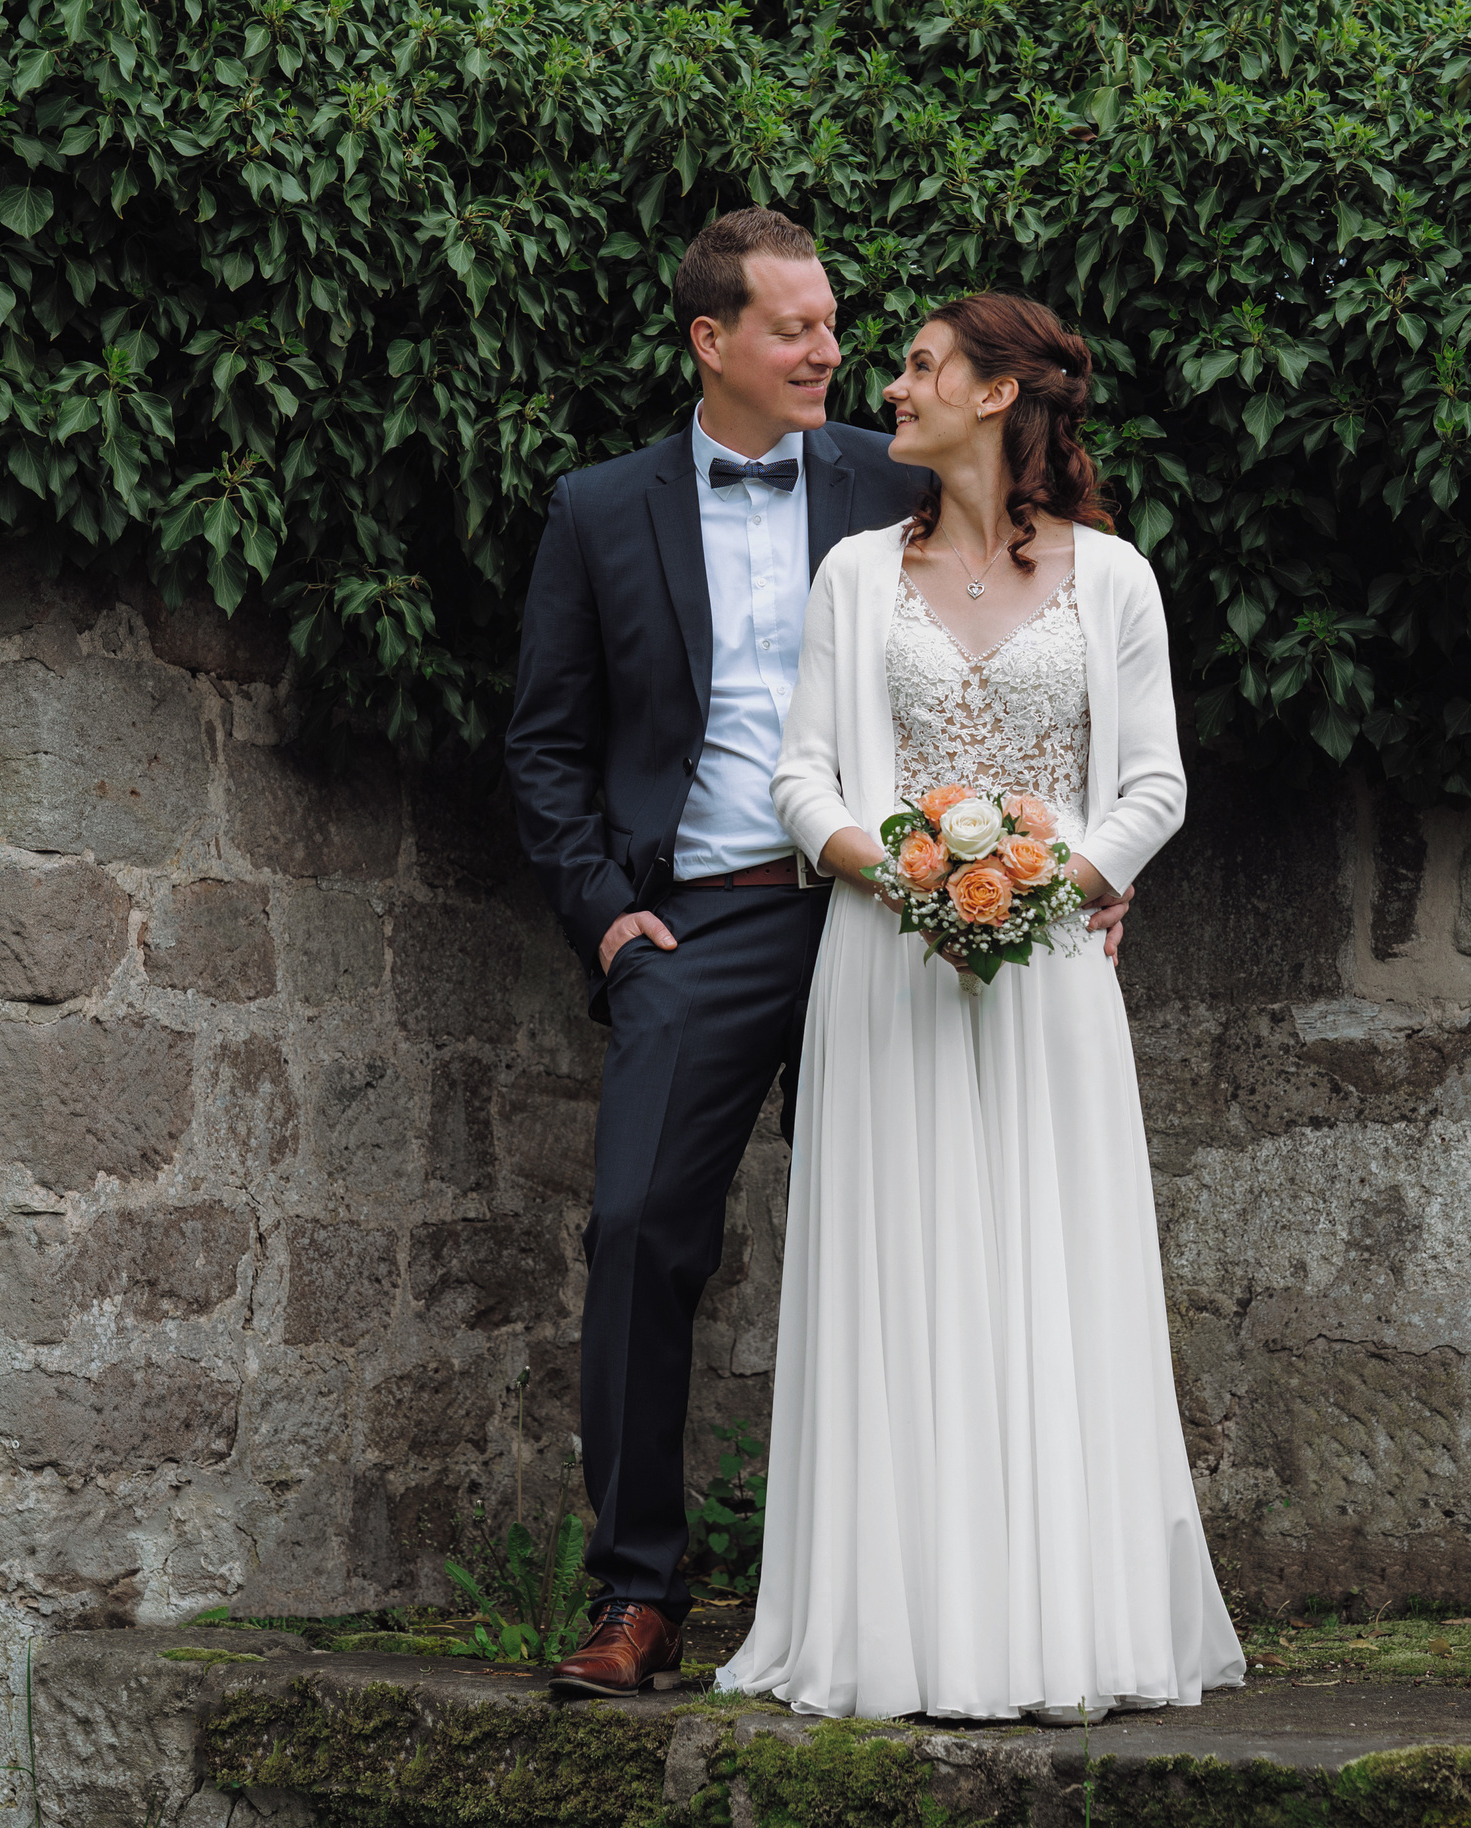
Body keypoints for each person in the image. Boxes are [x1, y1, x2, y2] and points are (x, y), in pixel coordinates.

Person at [505, 216, 1129, 1699]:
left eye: (837, 325)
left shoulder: (890, 467)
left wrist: (1069, 872)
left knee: (951, 1239)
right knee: (643, 1230)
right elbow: (543, 746)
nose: (831, 354)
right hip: (707, 914)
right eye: (794, 329)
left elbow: (1053, 667)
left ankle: (961, 1600)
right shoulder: (599, 511)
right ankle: (639, 1596)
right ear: (710, 342)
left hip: (905, 922)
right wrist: (607, 913)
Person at [720, 293, 1246, 1723]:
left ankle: (1060, 1623)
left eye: (922, 366)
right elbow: (802, 779)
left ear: (1000, 394)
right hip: (882, 971)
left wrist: (1032, 889)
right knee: (900, 1274)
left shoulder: (1114, 581)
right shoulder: (851, 576)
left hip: (1048, 978)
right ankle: (894, 1630)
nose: (892, 384)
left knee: (1048, 1275)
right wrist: (908, 879)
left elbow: (1152, 787)